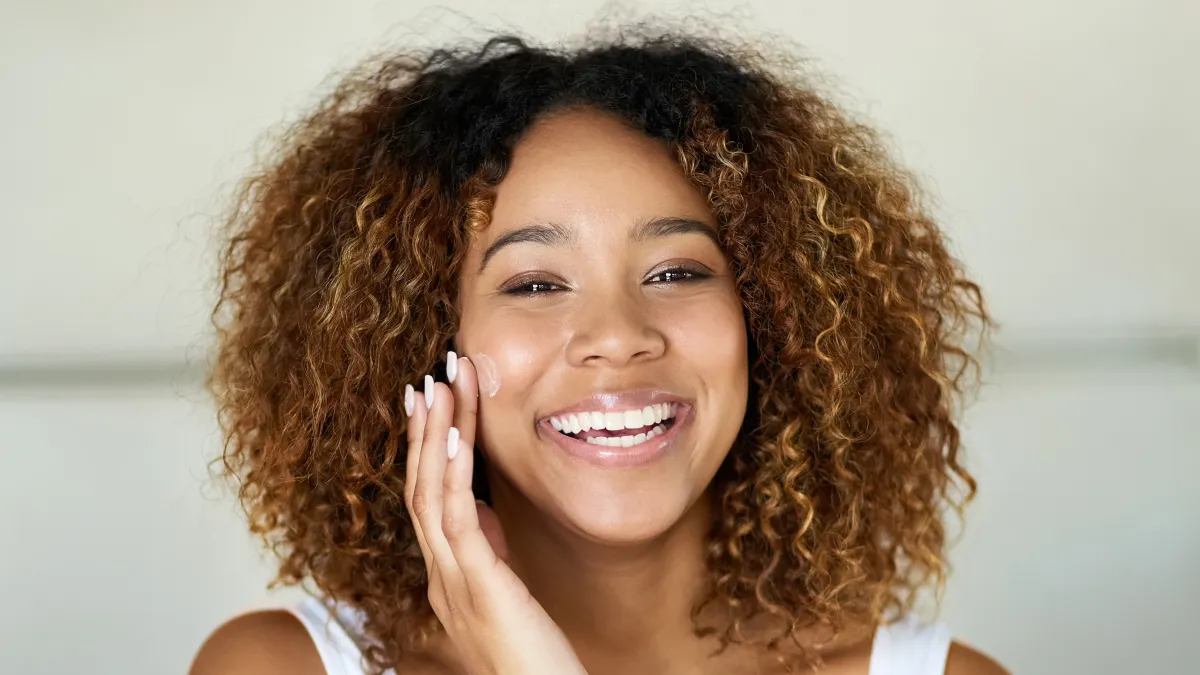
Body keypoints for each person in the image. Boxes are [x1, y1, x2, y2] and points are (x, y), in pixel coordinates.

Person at [191, 25, 1006, 675]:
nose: (619, 335)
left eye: (678, 269)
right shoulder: (279, 666)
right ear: (426, 342)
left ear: (772, 317)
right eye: (536, 284)